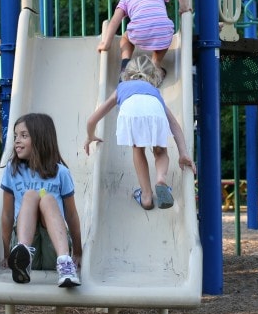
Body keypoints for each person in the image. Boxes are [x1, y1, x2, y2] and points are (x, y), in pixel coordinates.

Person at [84, 55, 197, 210]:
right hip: (154, 112)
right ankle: (160, 178)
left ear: (127, 74)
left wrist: (90, 136)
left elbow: (92, 120)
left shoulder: (121, 88)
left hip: (131, 114)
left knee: (138, 150)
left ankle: (146, 196)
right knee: (160, 151)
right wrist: (183, 153)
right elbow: (175, 125)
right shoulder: (154, 92)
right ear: (153, 75)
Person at [1, 113, 82, 287]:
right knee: (31, 195)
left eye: (24, 136)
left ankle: (65, 263)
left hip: (55, 246)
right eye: (15, 136)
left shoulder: (61, 173)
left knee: (47, 200)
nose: (17, 141)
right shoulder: (12, 170)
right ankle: (22, 255)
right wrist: (7, 254)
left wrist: (78, 252)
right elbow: (7, 215)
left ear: (40, 139)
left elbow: (71, 215)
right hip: (25, 242)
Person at [97, 0, 191, 80]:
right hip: (163, 34)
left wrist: (106, 44)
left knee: (126, 38)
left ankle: (125, 64)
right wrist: (184, 7)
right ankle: (156, 64)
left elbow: (114, 22)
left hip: (139, 35)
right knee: (163, 32)